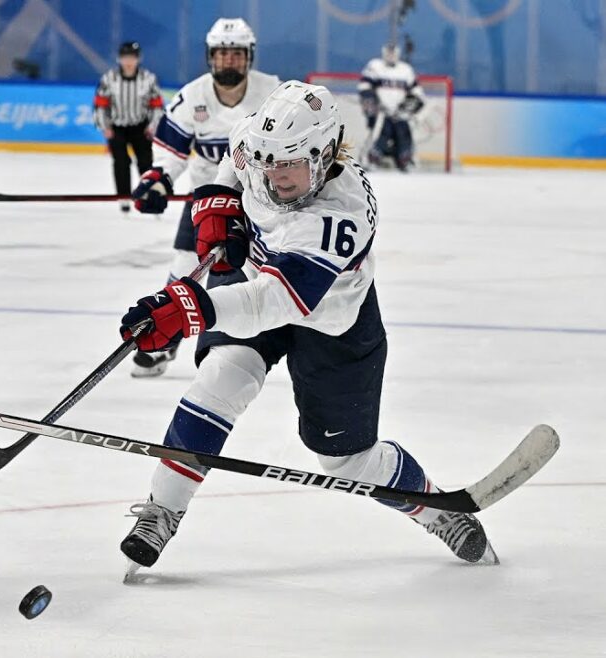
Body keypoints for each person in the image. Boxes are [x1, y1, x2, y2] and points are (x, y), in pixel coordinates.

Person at [116, 81, 496, 578]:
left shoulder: (341, 212)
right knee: (220, 379)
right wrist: (216, 206)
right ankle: (163, 509)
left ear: (324, 155)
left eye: (290, 164)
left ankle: (436, 508)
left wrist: (189, 310)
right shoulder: (264, 144)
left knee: (345, 462)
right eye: (269, 162)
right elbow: (236, 153)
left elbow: (275, 301)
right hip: (256, 282)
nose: (275, 176)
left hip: (330, 320)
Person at [128, 17, 280, 377]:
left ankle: (290, 342)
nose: (229, 61)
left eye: (237, 54)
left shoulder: (274, 93)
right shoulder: (191, 97)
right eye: (222, 54)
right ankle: (166, 340)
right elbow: (171, 155)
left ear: (249, 57)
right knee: (184, 269)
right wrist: (158, 181)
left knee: (268, 275)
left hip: (262, 203)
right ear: (210, 56)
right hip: (208, 202)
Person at [93, 41, 164, 215]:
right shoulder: (109, 79)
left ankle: (147, 194)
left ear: (138, 59)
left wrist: (153, 126)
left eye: (132, 57)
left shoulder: (149, 79)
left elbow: (157, 106)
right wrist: (105, 127)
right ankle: (124, 197)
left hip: (141, 127)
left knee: (146, 163)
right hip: (117, 127)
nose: (128, 61)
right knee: (121, 162)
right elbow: (100, 105)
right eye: (125, 57)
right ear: (119, 59)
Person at [359, 43, 426, 171]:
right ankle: (373, 158)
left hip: (400, 113)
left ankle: (405, 159)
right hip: (381, 113)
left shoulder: (406, 70)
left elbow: (417, 94)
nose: (391, 56)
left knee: (404, 132)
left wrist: (406, 107)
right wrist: (373, 105)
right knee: (382, 132)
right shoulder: (375, 66)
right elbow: (365, 88)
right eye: (388, 53)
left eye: (393, 53)